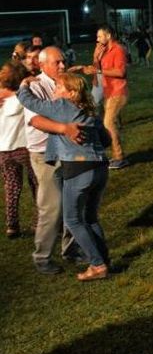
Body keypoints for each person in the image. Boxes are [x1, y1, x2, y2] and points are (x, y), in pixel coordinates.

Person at [17, 73, 112, 281]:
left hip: (78, 170)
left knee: (72, 219)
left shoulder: (63, 106)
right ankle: (104, 259)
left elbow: (29, 102)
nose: (55, 90)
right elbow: (106, 140)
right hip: (100, 168)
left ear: (71, 93)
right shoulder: (90, 109)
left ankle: (97, 265)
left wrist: (24, 84)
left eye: (59, 87)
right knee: (90, 218)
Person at [24, 47, 84, 274]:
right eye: (57, 62)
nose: (62, 65)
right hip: (44, 155)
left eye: (63, 61)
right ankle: (42, 258)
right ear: (43, 65)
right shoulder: (34, 86)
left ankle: (71, 249)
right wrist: (64, 128)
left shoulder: (67, 82)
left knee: (73, 201)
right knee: (52, 206)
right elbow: (37, 120)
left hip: (67, 150)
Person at [71, 25, 130, 170]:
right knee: (109, 123)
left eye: (99, 36)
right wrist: (94, 58)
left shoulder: (118, 50)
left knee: (108, 123)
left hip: (118, 91)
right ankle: (117, 155)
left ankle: (119, 157)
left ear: (108, 36)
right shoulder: (103, 50)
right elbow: (97, 70)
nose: (97, 39)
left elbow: (120, 72)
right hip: (108, 90)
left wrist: (98, 70)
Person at [0, 62, 38, 238]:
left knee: (11, 186)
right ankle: (39, 221)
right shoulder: (21, 98)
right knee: (36, 184)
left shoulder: (1, 99)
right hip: (23, 147)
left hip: (3, 150)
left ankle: (12, 225)